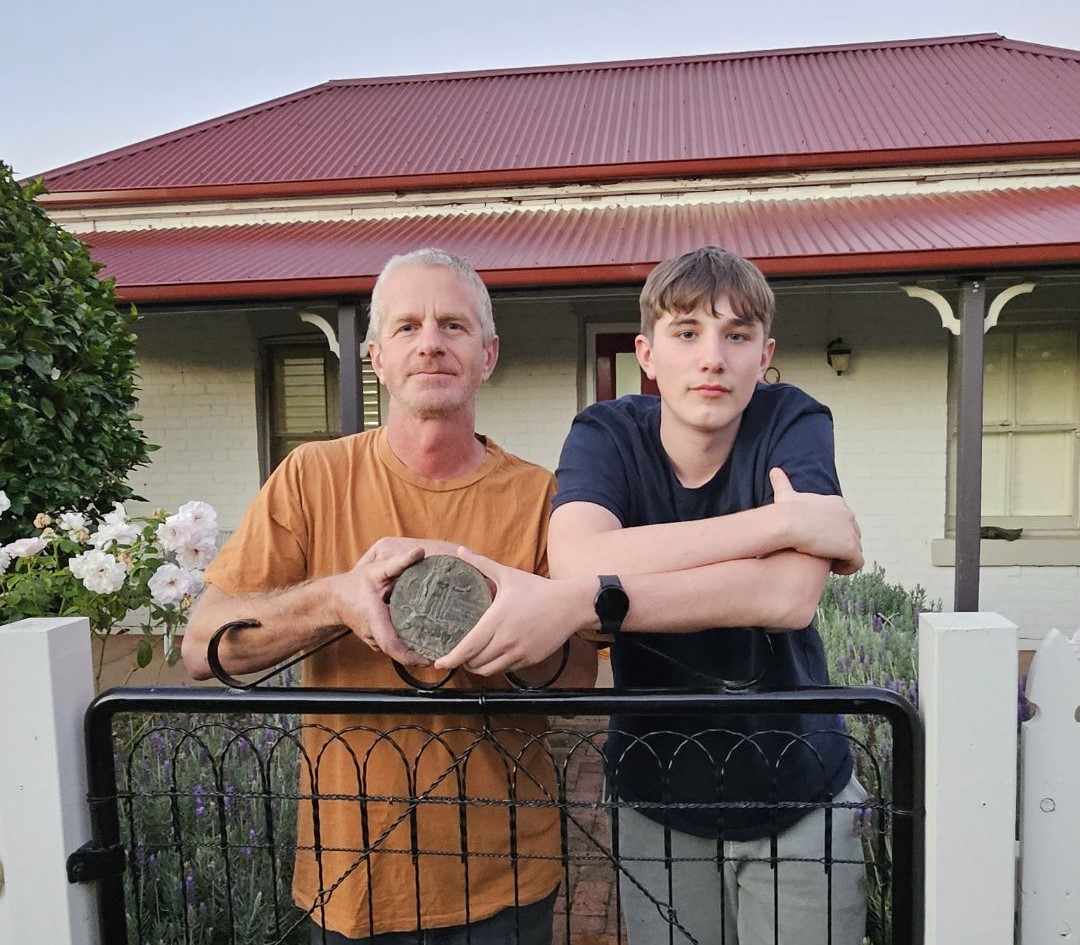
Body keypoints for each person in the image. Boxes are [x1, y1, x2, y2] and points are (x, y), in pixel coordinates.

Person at [435, 246, 866, 945]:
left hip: (798, 783)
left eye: (737, 334)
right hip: (658, 788)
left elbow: (789, 594)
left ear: (765, 354)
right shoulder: (606, 434)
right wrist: (782, 521)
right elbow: (576, 556)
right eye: (687, 332)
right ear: (647, 352)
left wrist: (590, 599)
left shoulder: (793, 420)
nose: (713, 357)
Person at [181, 247, 596, 945]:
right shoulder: (311, 478)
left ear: (488, 355)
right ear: (374, 357)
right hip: (352, 879)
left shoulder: (541, 497)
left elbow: (581, 676)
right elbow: (205, 646)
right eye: (407, 327)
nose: (430, 342)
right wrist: (336, 601)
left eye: (453, 326)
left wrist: (508, 632)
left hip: (505, 876)